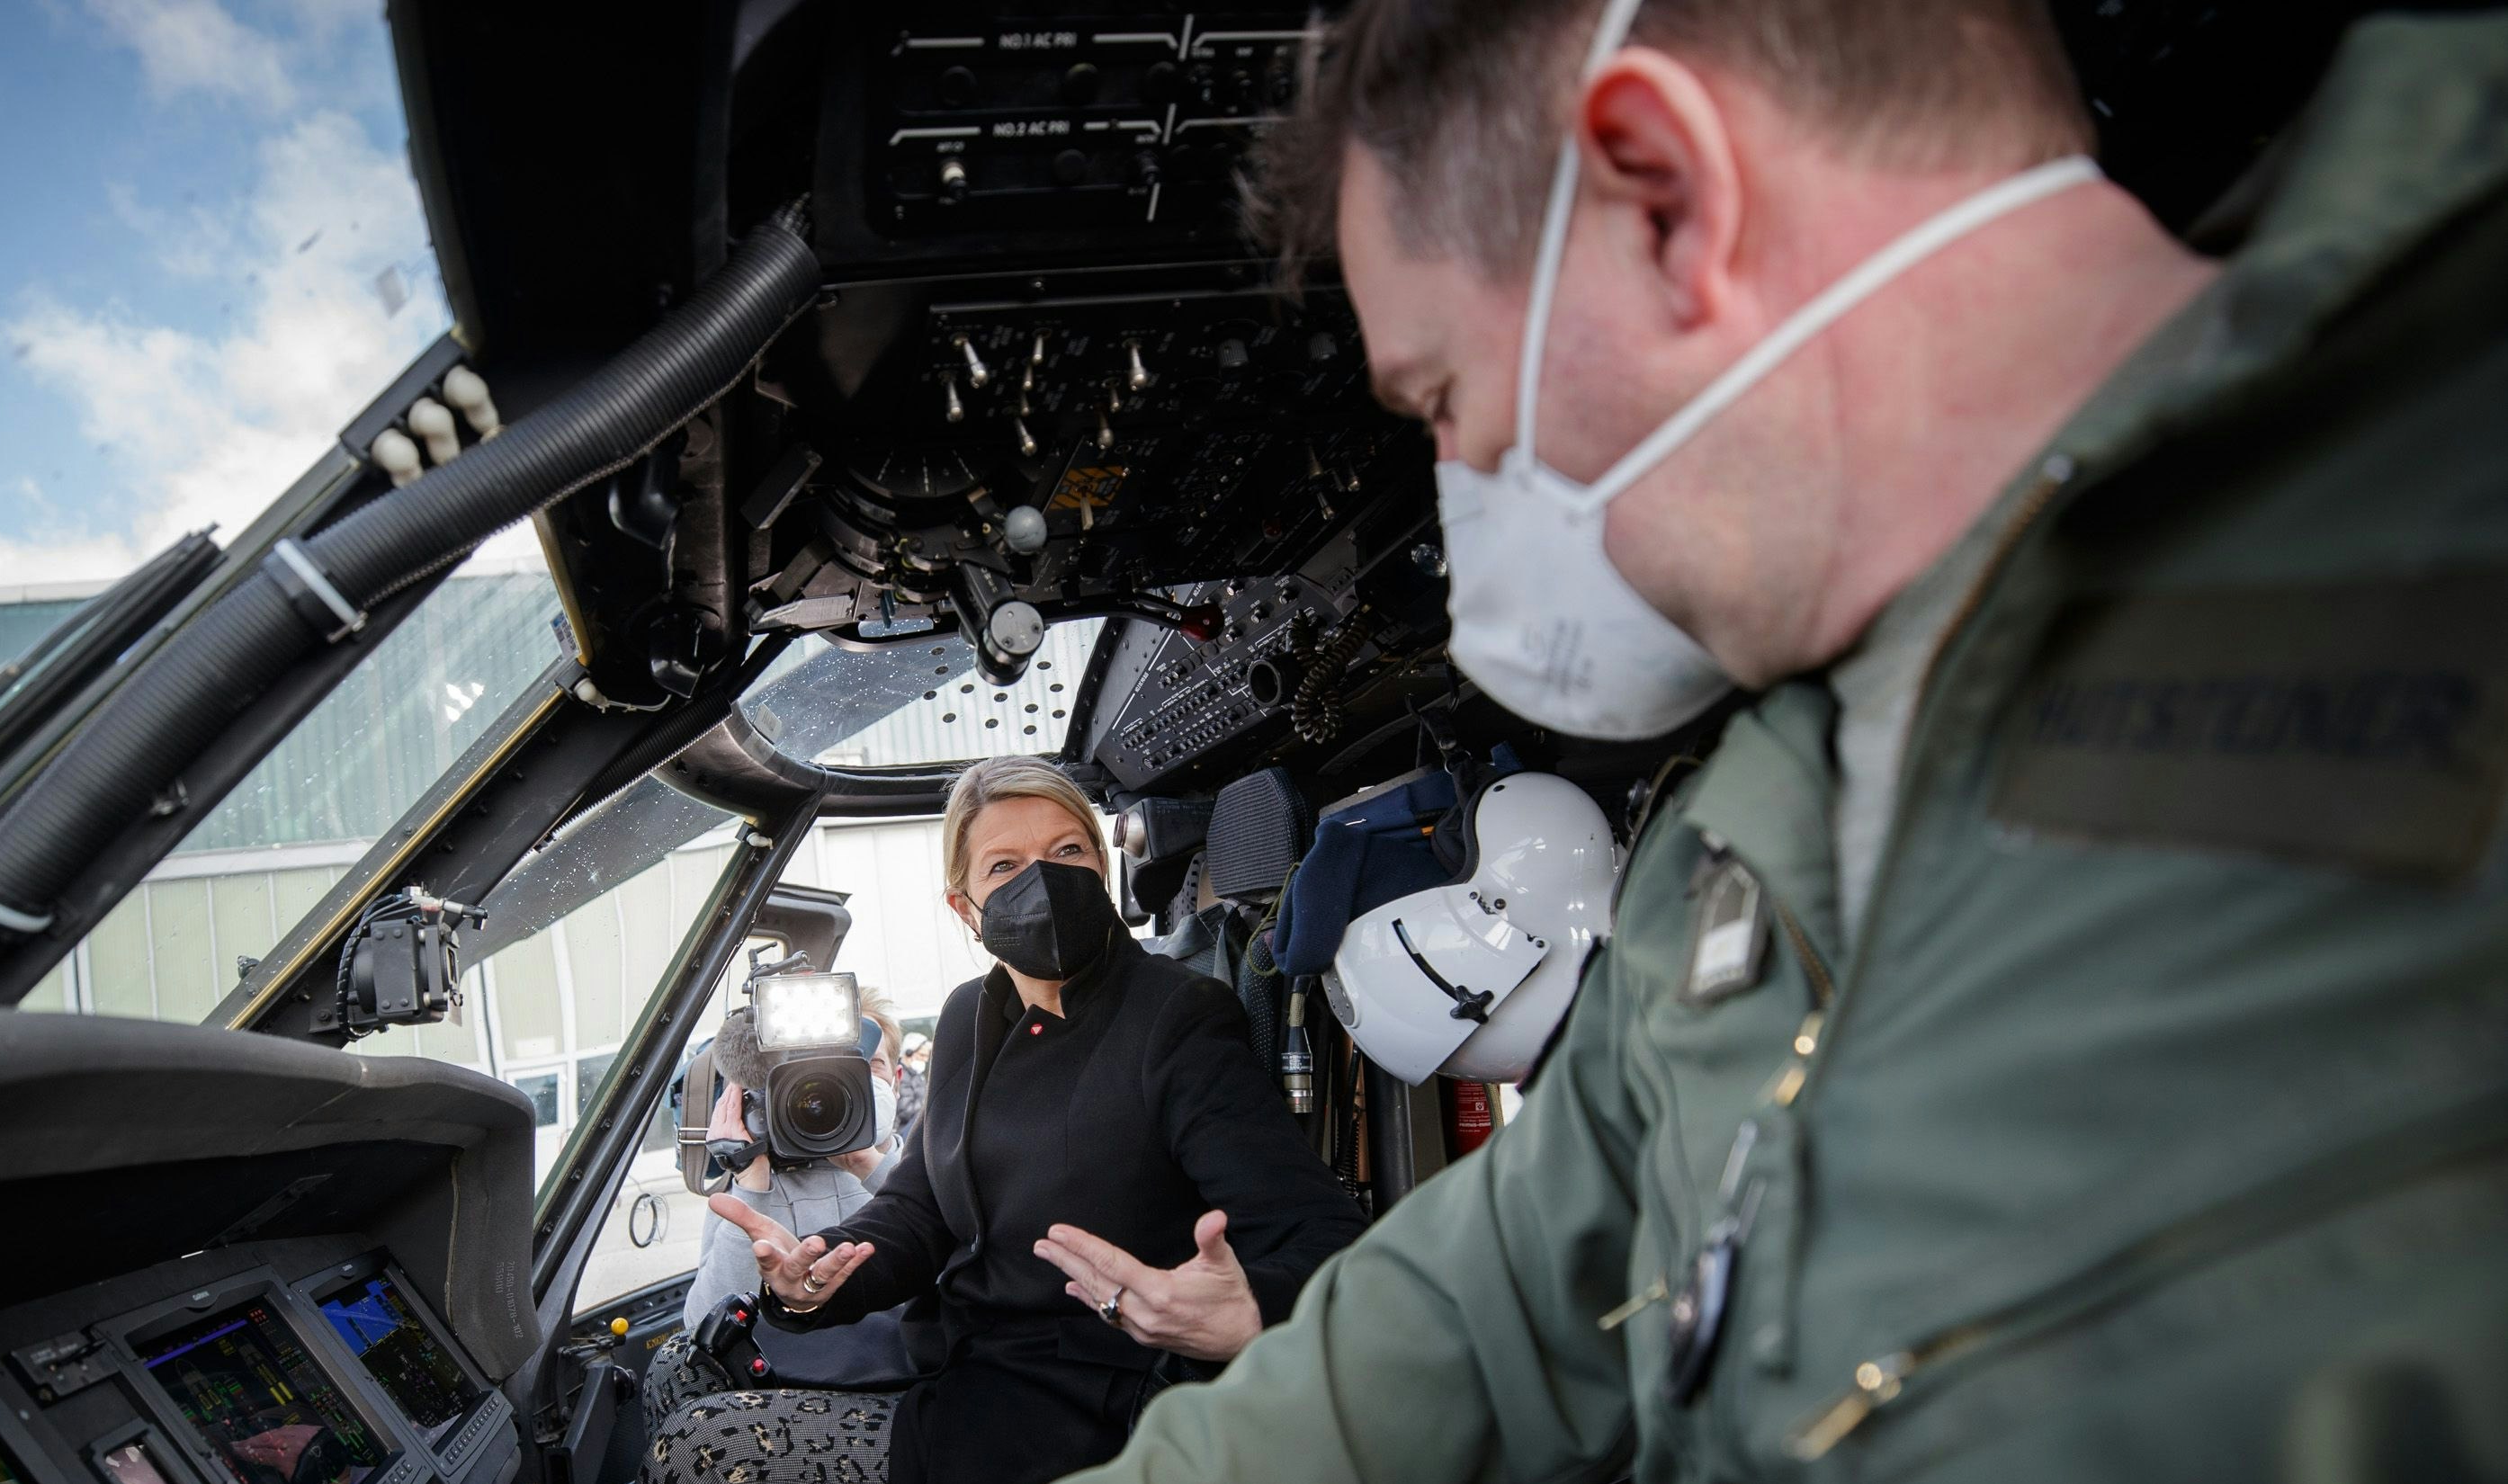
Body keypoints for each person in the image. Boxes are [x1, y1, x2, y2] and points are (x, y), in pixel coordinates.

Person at [1074, 2, 2508, 1481]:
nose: (1457, 482)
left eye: (1443, 398)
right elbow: (1471, 1319)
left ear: (1670, 198)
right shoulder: (1744, 830)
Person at [642, 755, 1366, 1484]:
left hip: (1081, 1398)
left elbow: (1322, 1235)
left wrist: (1251, 1309)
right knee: (682, 1364)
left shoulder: (1176, 1017)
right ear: (966, 908)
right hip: (953, 1354)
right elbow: (919, 1208)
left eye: (1067, 852)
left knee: (701, 1443)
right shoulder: (970, 1013)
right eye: (1004, 866)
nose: (1042, 881)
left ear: (1103, 869)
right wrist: (826, 1268)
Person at [637, 988, 915, 1423]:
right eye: (817, 1075)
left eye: (868, 1066)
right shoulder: (751, 1186)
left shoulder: (926, 1164)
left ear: (896, 1080)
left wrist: (868, 1164)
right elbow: (702, 1328)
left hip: (904, 1379)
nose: (839, 1087)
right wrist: (751, 1184)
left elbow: (951, 1267)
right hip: (785, 1389)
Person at [893, 1032, 932, 1142]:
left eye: (927, 1056)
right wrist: (926, 1103)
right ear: (909, 1053)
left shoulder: (917, 1075)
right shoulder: (902, 1076)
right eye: (922, 1055)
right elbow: (905, 1111)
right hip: (906, 1134)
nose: (926, 1059)